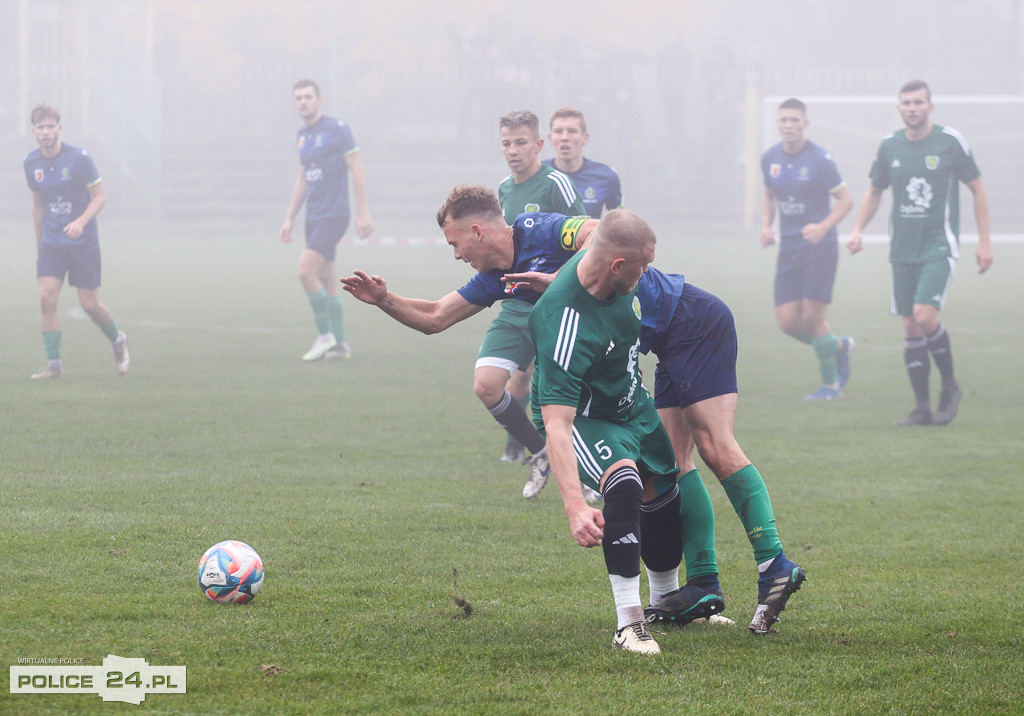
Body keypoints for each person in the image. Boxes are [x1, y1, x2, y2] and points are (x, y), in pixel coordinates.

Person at [507, 241, 808, 636]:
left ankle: (774, 563)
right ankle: (703, 583)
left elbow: (609, 230)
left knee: (716, 446)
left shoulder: (605, 256)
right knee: (675, 462)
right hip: (671, 338)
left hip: (693, 323)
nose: (645, 272)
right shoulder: (579, 280)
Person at [528, 210, 723, 654]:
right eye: (643, 264)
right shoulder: (564, 322)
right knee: (624, 483)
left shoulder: (612, 267)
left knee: (662, 490)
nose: (648, 272)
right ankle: (628, 623)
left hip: (632, 405)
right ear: (618, 265)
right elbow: (557, 423)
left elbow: (598, 230)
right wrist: (576, 507)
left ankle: (666, 601)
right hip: (586, 416)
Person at [340, 185, 584, 500]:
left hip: (613, 324)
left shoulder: (538, 228)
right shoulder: (494, 277)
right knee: (489, 384)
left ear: (478, 232)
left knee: (586, 411)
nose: (456, 255)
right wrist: (384, 299)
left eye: (455, 243)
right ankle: (543, 453)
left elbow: (602, 234)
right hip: (548, 324)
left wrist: (559, 279)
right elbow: (435, 317)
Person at [848, 80, 993, 426]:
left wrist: (985, 241)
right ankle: (922, 408)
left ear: (930, 106)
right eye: (906, 103)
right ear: (899, 108)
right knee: (911, 326)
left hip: (938, 246)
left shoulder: (950, 142)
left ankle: (950, 387)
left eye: (918, 102)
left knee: (925, 316)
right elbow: (874, 191)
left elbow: (978, 188)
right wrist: (857, 229)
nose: (912, 108)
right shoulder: (889, 146)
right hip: (902, 249)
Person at [492, 110, 587, 486]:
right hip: (519, 302)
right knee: (508, 379)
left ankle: (585, 473)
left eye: (520, 143)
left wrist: (563, 283)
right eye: (506, 143)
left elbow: (584, 237)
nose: (513, 151)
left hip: (558, 301)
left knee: (560, 392)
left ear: (538, 145)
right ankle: (525, 445)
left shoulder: (556, 185)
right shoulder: (503, 189)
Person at [23, 103, 129, 380]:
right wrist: (39, 246)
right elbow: (38, 206)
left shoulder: (79, 159)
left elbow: (100, 197)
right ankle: (54, 366)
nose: (46, 132)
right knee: (46, 298)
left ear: (59, 128)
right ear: (33, 131)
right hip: (52, 243)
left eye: (50, 126)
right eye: (40, 127)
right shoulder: (31, 163)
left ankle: (117, 339)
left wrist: (80, 222)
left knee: (89, 304)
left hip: (83, 242)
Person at [760, 98, 855, 401]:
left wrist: (823, 227)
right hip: (789, 248)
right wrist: (766, 226)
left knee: (814, 316)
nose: (789, 125)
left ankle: (830, 386)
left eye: (794, 120)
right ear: (778, 123)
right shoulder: (770, 158)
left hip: (819, 248)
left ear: (805, 123)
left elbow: (845, 200)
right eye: (784, 120)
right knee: (787, 322)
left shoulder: (819, 160)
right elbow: (769, 195)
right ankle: (838, 346)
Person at [279, 78, 373, 362]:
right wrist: (290, 218)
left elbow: (356, 167)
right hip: (314, 215)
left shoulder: (337, 129)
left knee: (305, 272)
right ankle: (341, 344)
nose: (303, 101)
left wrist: (363, 212)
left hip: (334, 214)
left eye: (308, 96)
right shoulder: (302, 135)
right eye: (298, 97)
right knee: (327, 278)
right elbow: (303, 177)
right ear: (294, 103)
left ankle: (325, 335)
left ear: (319, 100)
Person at [543, 106, 623, 219]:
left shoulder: (606, 176)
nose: (564, 137)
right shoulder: (537, 175)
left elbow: (618, 223)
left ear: (584, 138)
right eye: (558, 131)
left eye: (572, 131)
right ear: (550, 138)